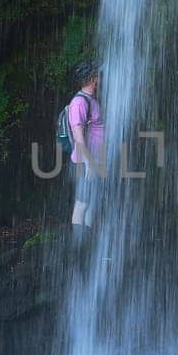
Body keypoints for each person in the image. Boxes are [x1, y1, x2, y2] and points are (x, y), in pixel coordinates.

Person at [67, 62, 105, 233]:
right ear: (92, 79)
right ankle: (76, 249)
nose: (99, 78)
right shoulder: (79, 102)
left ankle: (86, 245)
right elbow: (78, 134)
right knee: (81, 203)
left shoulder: (91, 100)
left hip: (96, 161)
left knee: (91, 202)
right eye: (97, 76)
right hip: (85, 163)